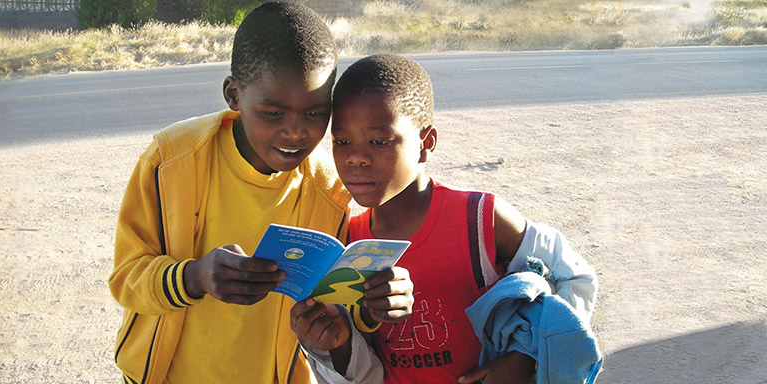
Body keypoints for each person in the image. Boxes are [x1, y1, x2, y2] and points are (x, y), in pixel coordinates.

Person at [109, 5, 413, 383]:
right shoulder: (173, 159)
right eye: (272, 113)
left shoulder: (328, 190)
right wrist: (195, 276)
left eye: (315, 114)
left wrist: (376, 303)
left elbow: (332, 303)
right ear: (234, 94)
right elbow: (125, 278)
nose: (295, 132)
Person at [291, 54, 599, 383]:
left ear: (425, 143)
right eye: (341, 141)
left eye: (378, 141)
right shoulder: (351, 241)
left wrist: (526, 355)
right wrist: (332, 343)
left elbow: (573, 277)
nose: (355, 157)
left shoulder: (479, 219)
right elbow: (357, 365)